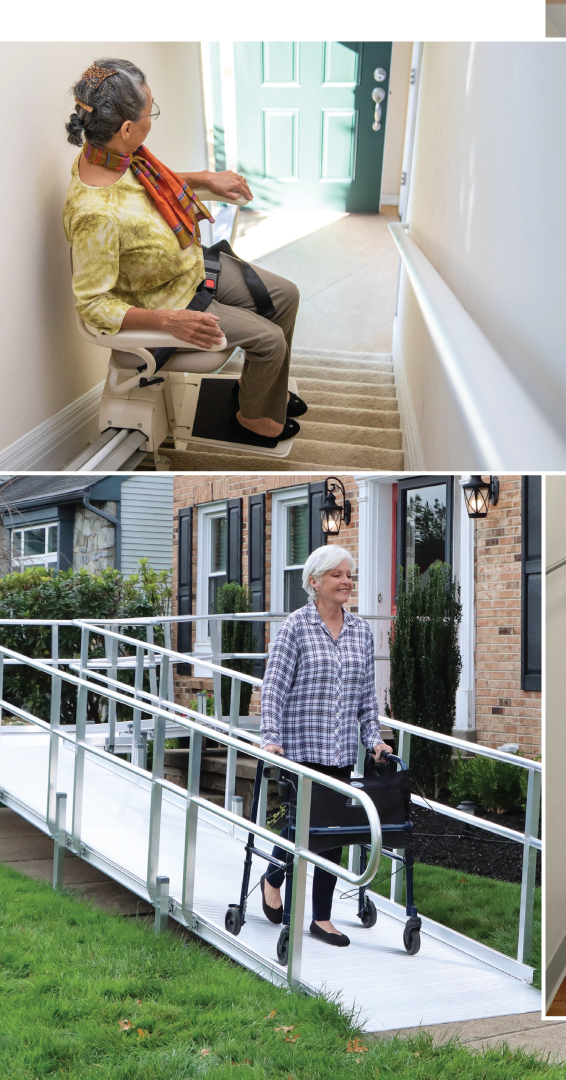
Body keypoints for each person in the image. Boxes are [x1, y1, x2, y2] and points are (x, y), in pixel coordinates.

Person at [62, 58, 306, 448]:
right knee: (271, 340)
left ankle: (260, 395)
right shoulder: (96, 214)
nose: (151, 120)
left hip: (189, 266)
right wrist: (168, 322)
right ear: (126, 129)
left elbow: (144, 189)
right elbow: (93, 305)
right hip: (167, 299)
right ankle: (255, 419)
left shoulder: (112, 154)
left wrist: (202, 178)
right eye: (149, 112)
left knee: (287, 295)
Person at [258, 544, 392, 947]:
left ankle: (321, 918)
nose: (346, 581)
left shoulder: (360, 632)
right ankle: (274, 876)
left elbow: (367, 696)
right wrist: (271, 738)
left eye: (349, 575)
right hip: (298, 749)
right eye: (337, 575)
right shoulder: (295, 627)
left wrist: (374, 740)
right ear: (314, 582)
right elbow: (274, 689)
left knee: (332, 831)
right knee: (300, 827)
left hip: (337, 751)